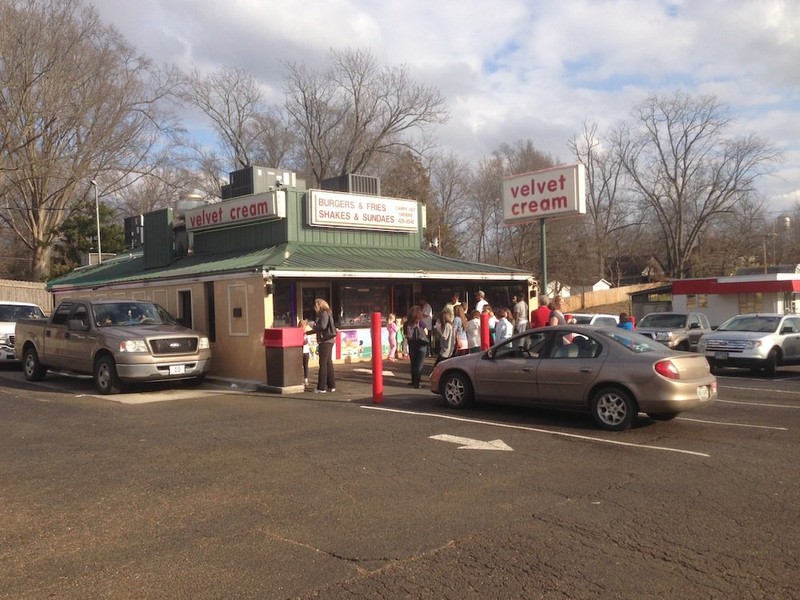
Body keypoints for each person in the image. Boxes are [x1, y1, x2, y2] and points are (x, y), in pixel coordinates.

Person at [309, 298, 336, 393]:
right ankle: (331, 385)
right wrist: (308, 332)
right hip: (330, 340)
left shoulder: (324, 313)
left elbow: (322, 326)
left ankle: (321, 387)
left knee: (323, 363)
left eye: (316, 306)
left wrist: (313, 325)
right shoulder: (328, 312)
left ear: (319, 305)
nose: (315, 308)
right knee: (328, 362)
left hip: (325, 340)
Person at [404, 305, 430, 388]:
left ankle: (413, 380)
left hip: (412, 344)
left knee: (413, 363)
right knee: (419, 364)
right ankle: (417, 383)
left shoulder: (406, 323)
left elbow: (405, 334)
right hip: (421, 345)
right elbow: (426, 332)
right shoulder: (420, 322)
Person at [299, 319, 311, 386]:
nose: (302, 327)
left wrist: (304, 335)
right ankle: (299, 379)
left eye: (303, 326)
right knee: (299, 366)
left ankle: (306, 379)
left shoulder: (307, 334)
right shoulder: (297, 334)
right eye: (301, 326)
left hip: (306, 351)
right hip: (299, 351)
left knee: (306, 366)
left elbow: (307, 342)